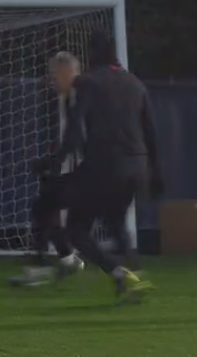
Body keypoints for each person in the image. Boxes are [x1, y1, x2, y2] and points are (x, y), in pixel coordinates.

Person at [36, 31, 164, 303]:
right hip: (137, 168)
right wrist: (156, 172)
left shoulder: (89, 83)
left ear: (91, 55)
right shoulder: (135, 83)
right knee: (116, 220)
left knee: (73, 224)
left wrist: (53, 161)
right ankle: (136, 276)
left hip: (105, 167)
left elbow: (74, 130)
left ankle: (116, 273)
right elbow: (151, 131)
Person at [8, 52, 86, 288]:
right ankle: (67, 260)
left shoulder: (79, 98)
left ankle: (44, 267)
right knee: (44, 211)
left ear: (66, 73)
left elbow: (76, 139)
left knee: (44, 211)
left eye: (54, 76)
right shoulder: (68, 97)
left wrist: (52, 163)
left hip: (84, 168)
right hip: (76, 165)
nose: (52, 82)